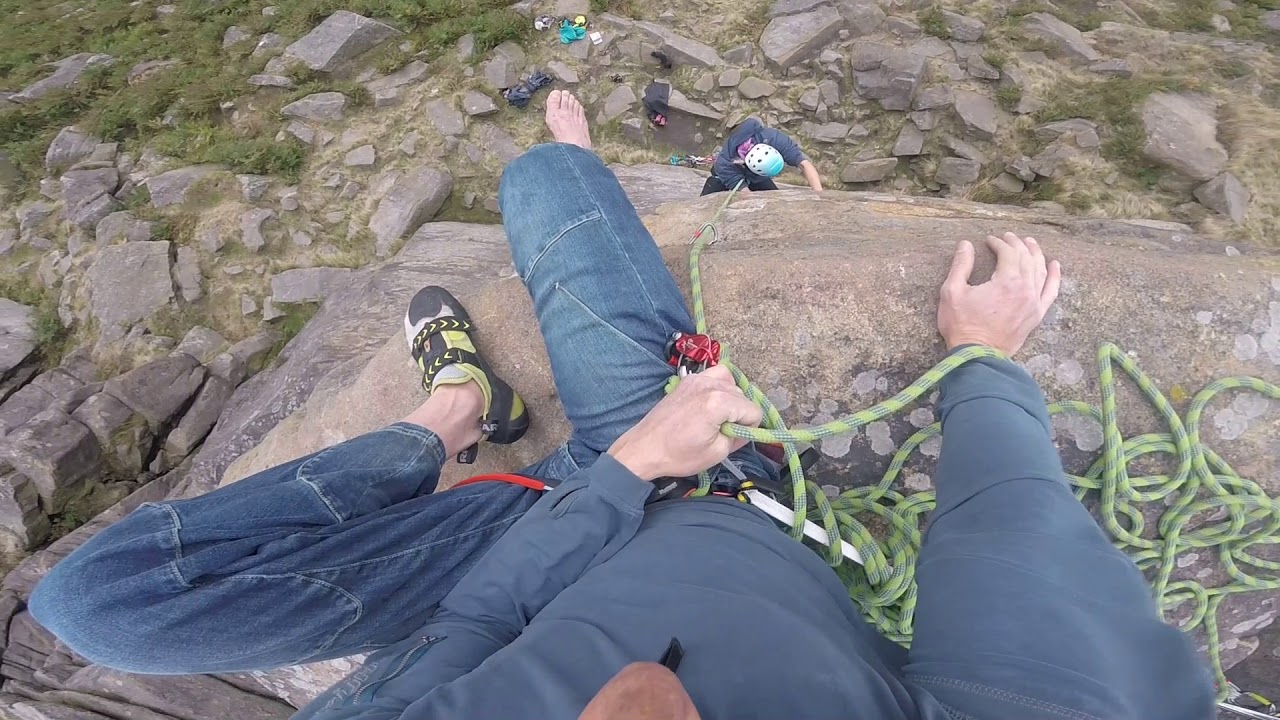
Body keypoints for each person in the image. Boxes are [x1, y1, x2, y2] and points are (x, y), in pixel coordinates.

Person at [29, 91, 1212, 720]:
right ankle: (721, 184)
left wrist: (621, 469)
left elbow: (470, 636)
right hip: (715, 494)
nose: (634, 704)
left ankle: (448, 413)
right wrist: (980, 361)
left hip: (566, 505)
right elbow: (1017, 577)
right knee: (550, 178)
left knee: (95, 605)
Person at [701, 116, 823, 196]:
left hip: (757, 178)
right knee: (704, 207)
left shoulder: (775, 139)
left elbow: (805, 164)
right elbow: (745, 194)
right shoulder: (725, 163)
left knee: (774, 202)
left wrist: (819, 194)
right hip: (723, 178)